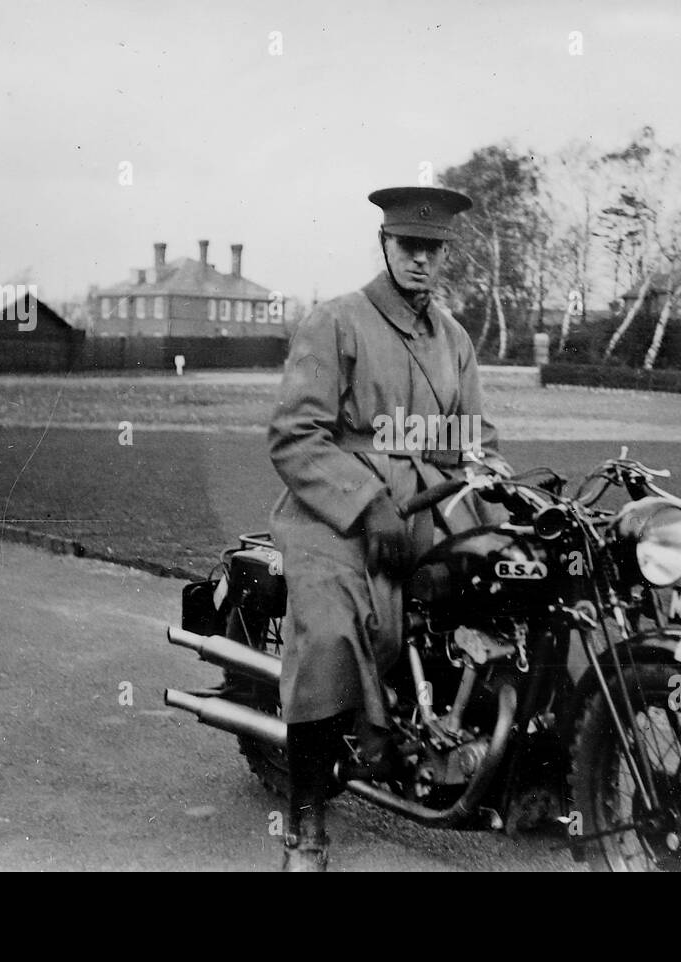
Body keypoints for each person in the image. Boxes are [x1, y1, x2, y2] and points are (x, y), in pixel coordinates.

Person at [267, 185, 511, 871]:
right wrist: (366, 503)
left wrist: (496, 485)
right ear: (385, 244)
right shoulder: (336, 322)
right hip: (334, 510)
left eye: (434, 250)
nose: (422, 262)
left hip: (429, 506)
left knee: (505, 585)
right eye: (410, 247)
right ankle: (308, 822)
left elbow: (473, 442)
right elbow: (294, 436)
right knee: (332, 618)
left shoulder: (455, 340)